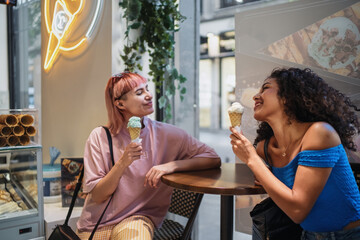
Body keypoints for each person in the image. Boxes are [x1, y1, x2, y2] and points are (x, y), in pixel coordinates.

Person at [76, 72, 221, 240]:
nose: (149, 95)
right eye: (139, 93)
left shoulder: (168, 134)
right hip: (96, 223)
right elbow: (99, 196)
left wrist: (170, 166)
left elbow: (213, 158)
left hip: (137, 217)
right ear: (120, 103)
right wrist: (123, 162)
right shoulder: (100, 137)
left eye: (147, 89)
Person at [229, 67, 360, 239]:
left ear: (288, 96)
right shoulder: (264, 148)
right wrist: (261, 169)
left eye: (266, 88)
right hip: (308, 235)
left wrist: (252, 159)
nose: (255, 96)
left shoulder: (320, 133)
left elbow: (298, 210)